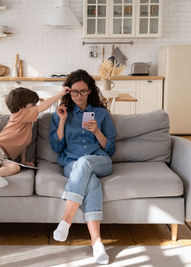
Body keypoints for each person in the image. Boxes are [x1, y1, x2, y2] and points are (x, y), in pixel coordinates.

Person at [49, 69, 116, 265]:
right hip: (71, 164)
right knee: (92, 183)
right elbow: (57, 147)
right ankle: (97, 244)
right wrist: (61, 121)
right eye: (74, 92)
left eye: (83, 91)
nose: (79, 96)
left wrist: (96, 131)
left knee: (85, 162)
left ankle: (66, 221)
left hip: (99, 161)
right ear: (68, 92)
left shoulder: (102, 114)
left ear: (89, 91)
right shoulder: (61, 114)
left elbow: (110, 148)